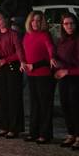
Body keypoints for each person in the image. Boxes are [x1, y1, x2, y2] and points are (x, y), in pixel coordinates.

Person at [54, 13, 79, 149]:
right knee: (66, 105)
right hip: (64, 77)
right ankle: (71, 133)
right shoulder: (62, 40)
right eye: (66, 24)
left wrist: (69, 70)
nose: (69, 26)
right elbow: (57, 55)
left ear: (76, 24)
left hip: (78, 78)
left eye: (72, 23)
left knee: (77, 107)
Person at [22, 11, 56, 144]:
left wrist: (52, 57)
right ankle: (33, 132)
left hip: (44, 74)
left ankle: (45, 134)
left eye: (38, 20)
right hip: (31, 74)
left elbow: (50, 48)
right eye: (33, 20)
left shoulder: (45, 34)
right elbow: (24, 51)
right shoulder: (27, 35)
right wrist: (22, 62)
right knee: (34, 104)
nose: (35, 23)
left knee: (45, 105)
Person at [0, 11, 25, 139]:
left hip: (13, 67)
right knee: (2, 98)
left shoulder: (14, 34)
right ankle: (3, 126)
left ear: (6, 19)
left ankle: (14, 128)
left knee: (13, 98)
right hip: (1, 68)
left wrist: (19, 61)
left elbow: (19, 51)